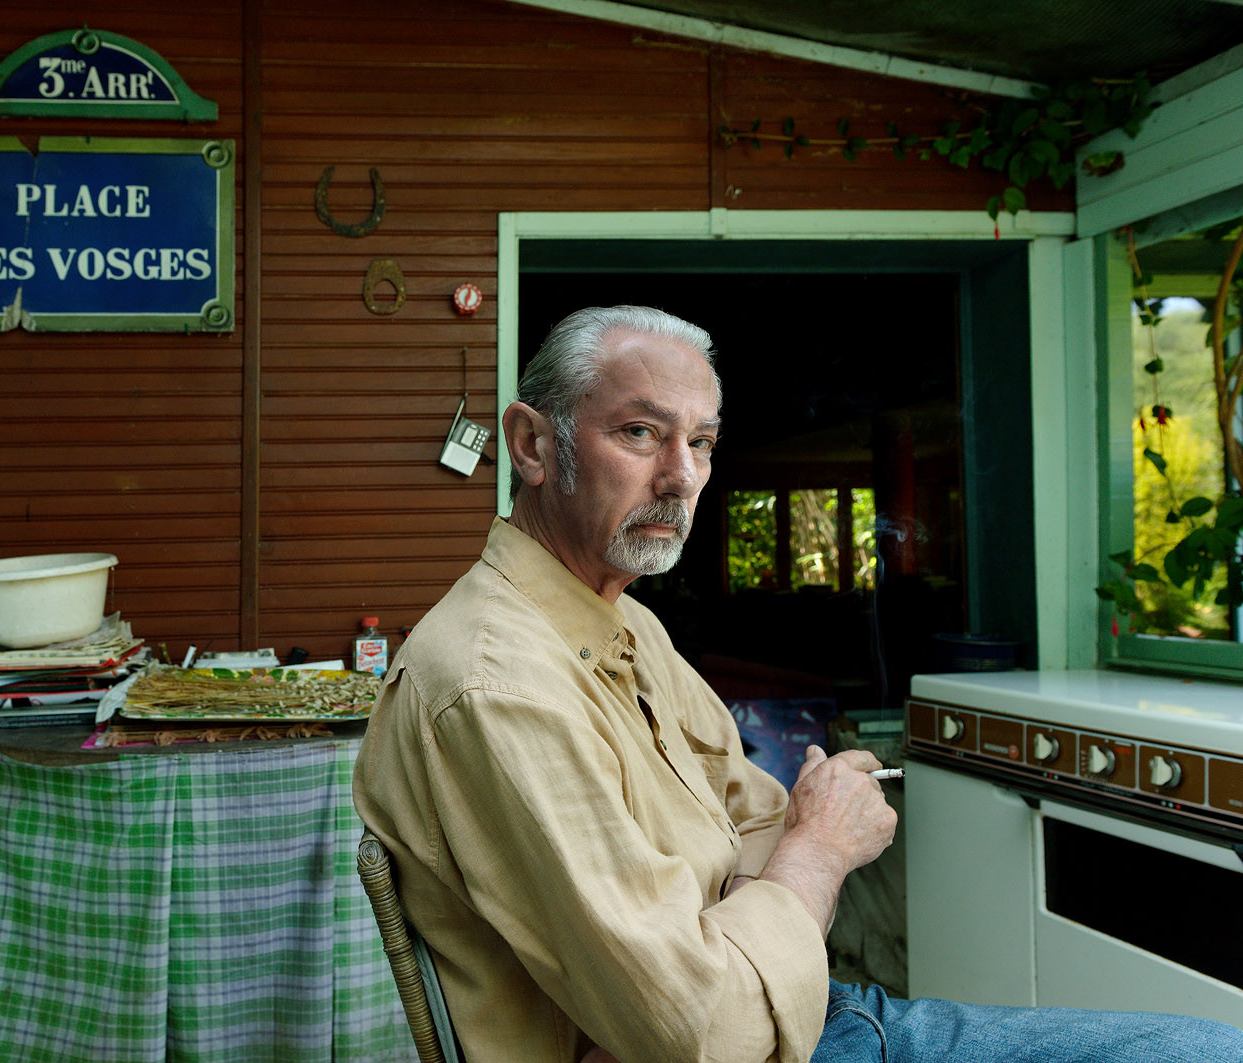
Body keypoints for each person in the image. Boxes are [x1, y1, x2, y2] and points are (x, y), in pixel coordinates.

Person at [351, 305, 1243, 1063]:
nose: (683, 476)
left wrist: (758, 898)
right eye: (641, 432)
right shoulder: (498, 684)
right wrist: (816, 853)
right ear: (533, 445)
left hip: (814, 1013)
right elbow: (707, 1029)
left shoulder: (622, 623)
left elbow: (758, 815)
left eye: (702, 441)